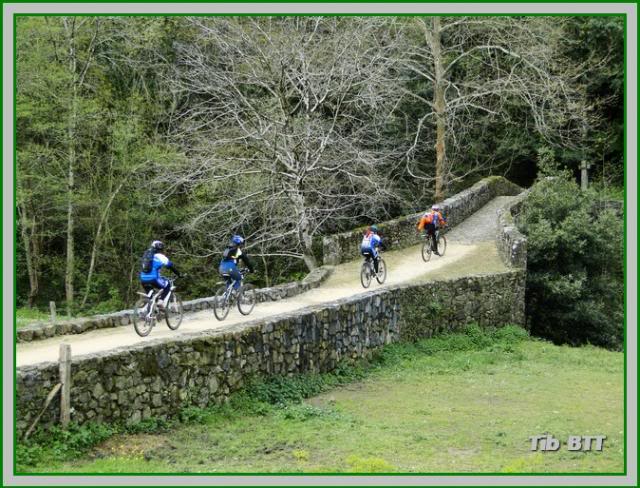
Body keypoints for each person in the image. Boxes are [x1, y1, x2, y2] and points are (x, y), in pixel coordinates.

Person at [139, 240, 181, 307]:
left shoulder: (146, 255)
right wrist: (178, 274)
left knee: (151, 298)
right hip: (153, 278)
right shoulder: (160, 256)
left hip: (143, 279)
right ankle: (161, 301)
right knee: (167, 285)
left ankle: (150, 313)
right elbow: (170, 266)